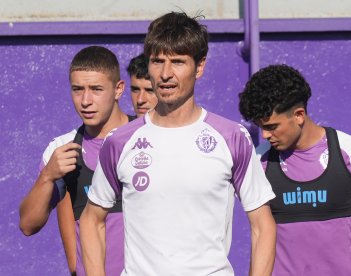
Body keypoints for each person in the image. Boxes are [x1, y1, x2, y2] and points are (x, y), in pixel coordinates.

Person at [80, 12, 277, 276]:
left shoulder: (231, 138)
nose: (165, 74)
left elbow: (262, 225)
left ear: (200, 66)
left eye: (178, 62)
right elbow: (92, 220)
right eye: (157, 61)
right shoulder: (119, 142)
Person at [238, 64, 351, 275]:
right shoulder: (258, 162)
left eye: (272, 126)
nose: (265, 135)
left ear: (299, 115)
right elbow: (258, 235)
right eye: (261, 127)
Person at [19, 46, 133, 276]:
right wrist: (47, 175)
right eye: (77, 89)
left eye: (96, 89)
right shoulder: (62, 148)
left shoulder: (148, 138)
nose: (85, 100)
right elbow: (28, 224)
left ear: (118, 89)